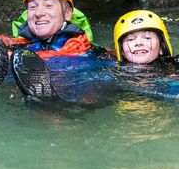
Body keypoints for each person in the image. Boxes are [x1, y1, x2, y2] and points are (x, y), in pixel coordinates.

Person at [9, 9, 176, 105]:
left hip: (160, 94)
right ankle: (52, 99)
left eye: (147, 38)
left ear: (161, 47)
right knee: (91, 92)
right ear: (122, 51)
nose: (139, 43)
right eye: (131, 40)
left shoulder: (172, 66)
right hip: (123, 94)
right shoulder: (112, 65)